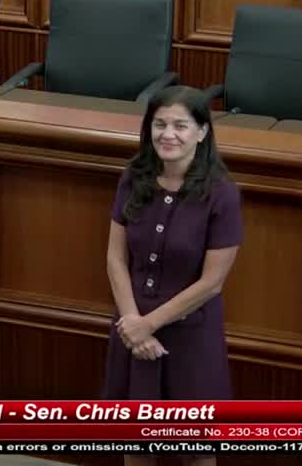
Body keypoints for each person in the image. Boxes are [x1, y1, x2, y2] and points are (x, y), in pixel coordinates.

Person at [103, 86, 243, 466]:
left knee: (195, 450)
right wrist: (132, 323)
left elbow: (212, 283)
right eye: (160, 124)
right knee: (136, 443)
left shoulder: (222, 194)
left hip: (189, 335)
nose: (169, 134)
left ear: (202, 132)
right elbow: (116, 258)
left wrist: (147, 325)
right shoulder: (134, 177)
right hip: (131, 327)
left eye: (181, 125)